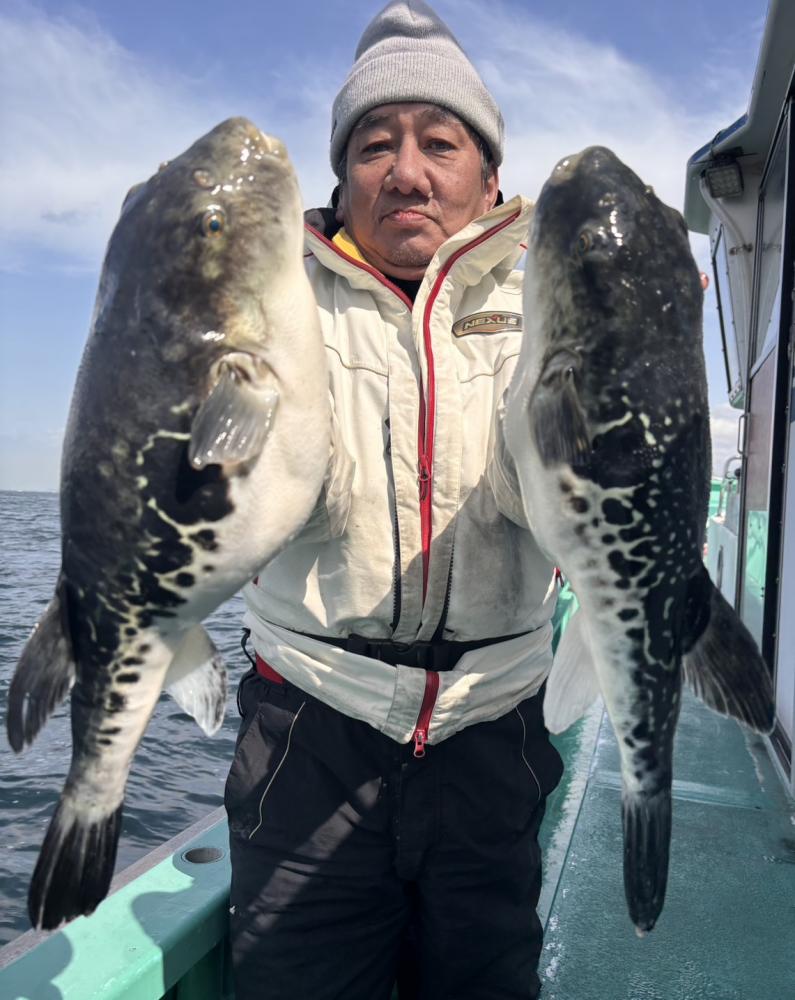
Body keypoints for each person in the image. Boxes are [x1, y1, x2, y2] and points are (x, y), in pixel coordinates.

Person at [225, 2, 564, 997]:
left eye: (439, 143)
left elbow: (561, 504)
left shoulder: (552, 301)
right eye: (375, 144)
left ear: (490, 178)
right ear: (341, 179)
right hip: (309, 732)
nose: (406, 171)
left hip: (494, 730)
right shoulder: (272, 301)